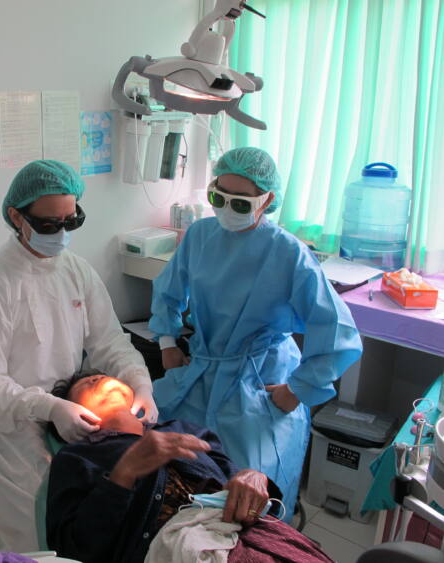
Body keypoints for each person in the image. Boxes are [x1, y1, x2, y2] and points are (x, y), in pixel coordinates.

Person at [149, 147, 363, 520]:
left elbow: (338, 332)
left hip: (260, 384)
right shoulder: (200, 235)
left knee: (249, 490)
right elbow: (168, 291)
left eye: (241, 203)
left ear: (267, 200)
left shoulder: (288, 253)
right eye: (218, 197)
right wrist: (167, 342)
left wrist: (298, 389)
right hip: (202, 371)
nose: (226, 209)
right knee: (172, 466)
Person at [0, 159, 158, 552]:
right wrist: (48, 407)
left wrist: (141, 384)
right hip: (8, 425)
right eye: (50, 225)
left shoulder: (76, 271)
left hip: (67, 410)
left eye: (72, 220)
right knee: (40, 529)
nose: (62, 233)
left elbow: (109, 341)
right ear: (17, 217)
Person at [46, 371, 334, 563]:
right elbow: (74, 550)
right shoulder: (76, 457)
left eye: (103, 376)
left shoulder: (183, 429)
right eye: (86, 385)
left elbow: (233, 478)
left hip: (243, 533)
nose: (97, 378)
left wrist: (253, 477)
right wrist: (124, 473)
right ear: (73, 415)